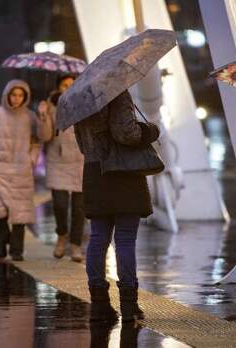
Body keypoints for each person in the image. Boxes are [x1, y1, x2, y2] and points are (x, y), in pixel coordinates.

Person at [74, 90, 160, 323]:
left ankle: (100, 303)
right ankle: (129, 305)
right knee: (124, 239)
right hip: (123, 173)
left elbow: (82, 145)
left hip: (94, 172)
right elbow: (127, 134)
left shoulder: (80, 100)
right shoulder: (117, 93)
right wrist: (150, 130)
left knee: (98, 237)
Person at [0, 79, 46, 261]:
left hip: (21, 170)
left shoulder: (30, 116)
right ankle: (2, 244)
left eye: (20, 95)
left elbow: (37, 140)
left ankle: (17, 250)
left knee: (21, 213)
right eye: (13, 95)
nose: (16, 99)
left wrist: (32, 159)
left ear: (24, 97)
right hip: (0, 169)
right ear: (7, 95)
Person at [37, 75, 86, 262]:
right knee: (60, 204)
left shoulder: (83, 104)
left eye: (72, 84)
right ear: (58, 87)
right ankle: (61, 236)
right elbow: (45, 136)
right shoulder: (49, 106)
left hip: (80, 160)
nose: (68, 87)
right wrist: (43, 115)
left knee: (79, 208)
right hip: (57, 161)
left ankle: (75, 245)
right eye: (65, 85)